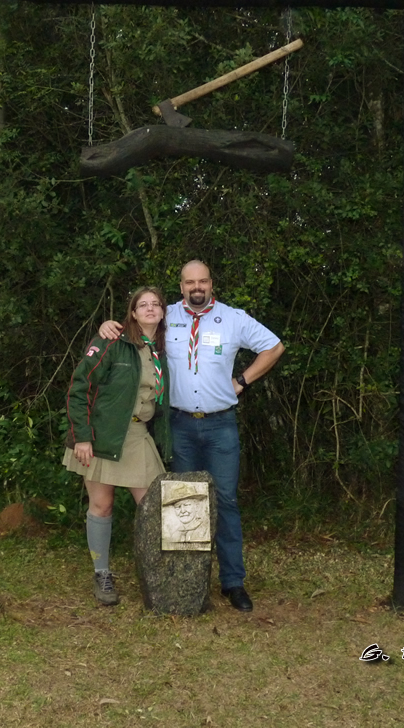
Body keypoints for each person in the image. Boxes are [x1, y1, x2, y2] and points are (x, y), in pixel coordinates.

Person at [99, 261, 284, 612]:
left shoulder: (233, 318)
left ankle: (233, 582)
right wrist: (108, 325)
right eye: (189, 282)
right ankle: (186, 581)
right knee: (184, 503)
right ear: (181, 286)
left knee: (225, 501)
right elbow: (133, 329)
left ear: (211, 284)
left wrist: (241, 382)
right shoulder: (166, 316)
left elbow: (274, 347)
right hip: (180, 425)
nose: (196, 287)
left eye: (202, 281)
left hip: (220, 425)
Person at [64, 286, 172, 606]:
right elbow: (80, 387)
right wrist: (82, 436)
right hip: (103, 434)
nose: (150, 308)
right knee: (102, 505)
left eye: (156, 304)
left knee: (153, 506)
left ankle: (158, 573)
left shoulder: (165, 349)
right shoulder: (112, 341)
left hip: (138, 435)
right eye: (143, 304)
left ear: (163, 312)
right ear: (133, 312)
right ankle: (102, 573)